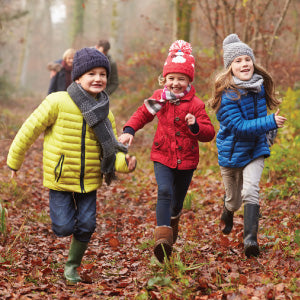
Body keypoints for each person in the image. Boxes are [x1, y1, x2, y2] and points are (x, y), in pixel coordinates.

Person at [7, 47, 137, 283]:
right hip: (60, 178)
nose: (98, 78)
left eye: (103, 74)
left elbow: (110, 149)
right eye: (91, 73)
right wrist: (14, 161)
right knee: (63, 227)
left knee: (87, 225)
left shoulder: (105, 112)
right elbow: (29, 130)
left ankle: (72, 267)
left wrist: (125, 162)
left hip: (89, 179)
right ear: (78, 76)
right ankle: (66, 232)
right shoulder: (57, 102)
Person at [119, 40, 215, 262]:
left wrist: (195, 126)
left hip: (187, 160)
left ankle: (172, 223)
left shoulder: (196, 104)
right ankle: (162, 237)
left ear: (189, 80)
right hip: (162, 155)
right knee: (164, 191)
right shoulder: (160, 98)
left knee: (177, 201)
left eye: (181, 79)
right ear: (164, 79)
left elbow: (209, 133)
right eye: (171, 78)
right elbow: (143, 113)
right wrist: (129, 129)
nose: (176, 83)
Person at [208, 34, 287, 257]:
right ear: (229, 67)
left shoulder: (259, 88)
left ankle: (250, 240)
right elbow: (241, 127)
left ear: (253, 62)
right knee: (234, 200)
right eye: (238, 61)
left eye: (247, 59)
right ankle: (228, 209)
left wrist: (269, 130)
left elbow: (260, 119)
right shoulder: (226, 97)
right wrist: (269, 122)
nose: (244, 64)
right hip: (232, 154)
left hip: (255, 149)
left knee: (251, 190)